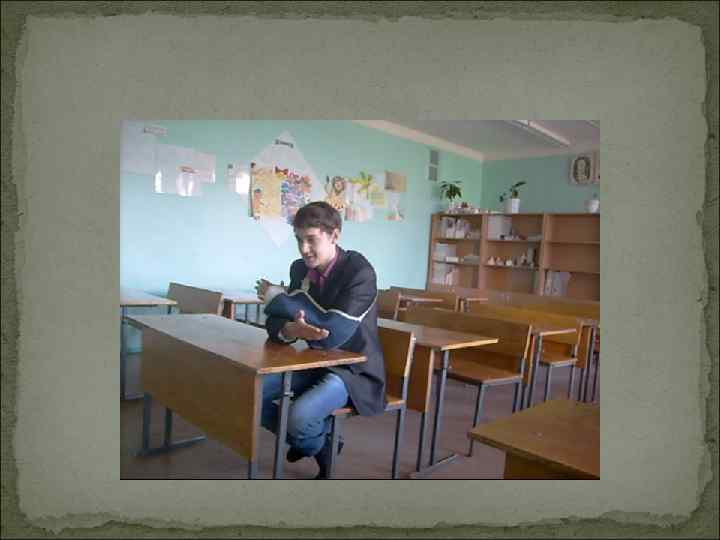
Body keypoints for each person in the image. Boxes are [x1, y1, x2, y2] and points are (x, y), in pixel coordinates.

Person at [255, 201, 386, 479]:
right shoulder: (299, 269)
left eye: (311, 239)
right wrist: (291, 329)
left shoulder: (360, 272)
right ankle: (320, 444)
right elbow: (275, 322)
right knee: (251, 394)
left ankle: (304, 437)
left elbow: (332, 333)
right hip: (312, 361)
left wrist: (279, 298)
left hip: (352, 369)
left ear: (334, 235)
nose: (303, 249)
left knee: (299, 418)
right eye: (298, 240)